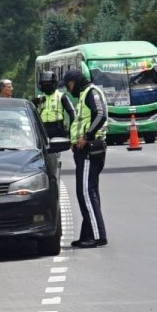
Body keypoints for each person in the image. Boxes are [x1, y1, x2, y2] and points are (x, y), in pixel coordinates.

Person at [63, 69, 108, 248]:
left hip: (90, 150)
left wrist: (87, 137)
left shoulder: (92, 92)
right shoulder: (84, 95)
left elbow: (100, 115)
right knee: (88, 193)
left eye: (69, 85)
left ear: (76, 81)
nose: (69, 89)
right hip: (84, 151)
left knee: (86, 193)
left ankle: (97, 236)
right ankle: (87, 233)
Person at [36, 70, 75, 139]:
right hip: (43, 129)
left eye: (48, 84)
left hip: (58, 129)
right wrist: (33, 102)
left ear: (53, 84)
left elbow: (72, 113)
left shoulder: (61, 96)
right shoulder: (39, 98)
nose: (46, 86)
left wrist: (71, 131)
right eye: (44, 84)